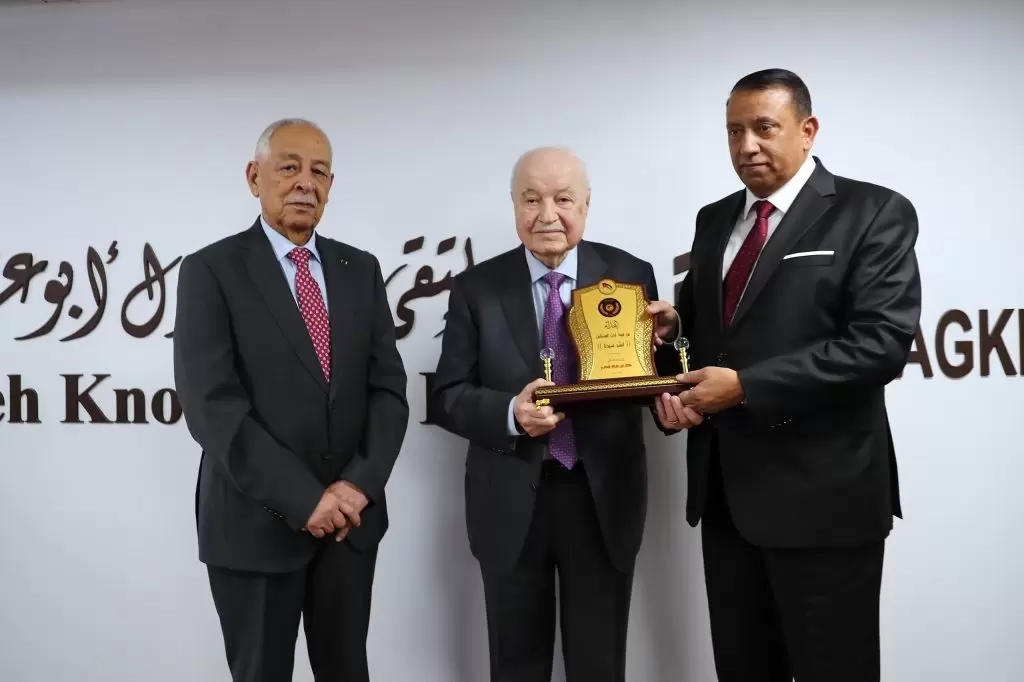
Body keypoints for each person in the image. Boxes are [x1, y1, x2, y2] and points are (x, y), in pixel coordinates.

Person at [648, 69, 922, 681]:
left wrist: (745, 387)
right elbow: (707, 337)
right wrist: (673, 341)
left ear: (807, 129)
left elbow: (879, 345)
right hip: (726, 500)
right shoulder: (714, 220)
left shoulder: (873, 211)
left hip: (826, 502)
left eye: (764, 128)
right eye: (734, 131)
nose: (746, 146)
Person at [173, 118, 409, 682]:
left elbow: (388, 391)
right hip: (253, 526)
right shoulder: (211, 270)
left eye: (319, 171)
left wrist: (357, 486)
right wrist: (305, 500)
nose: (306, 182)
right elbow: (212, 407)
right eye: (289, 167)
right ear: (254, 177)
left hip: (349, 525)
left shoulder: (360, 269)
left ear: (331, 185)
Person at [431, 147, 660, 682]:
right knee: (516, 666)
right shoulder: (476, 288)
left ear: (586, 203)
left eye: (563, 199)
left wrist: (669, 341)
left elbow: (654, 377)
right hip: (510, 499)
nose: (547, 215)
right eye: (531, 200)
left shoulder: (630, 275)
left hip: (602, 498)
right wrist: (510, 413)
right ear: (514, 205)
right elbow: (446, 394)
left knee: (600, 666)